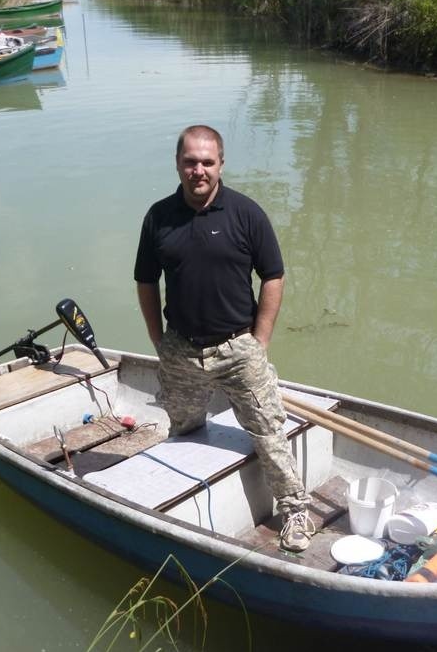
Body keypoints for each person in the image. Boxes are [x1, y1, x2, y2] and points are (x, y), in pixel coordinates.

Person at [133, 125, 313, 552]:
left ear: (221, 165)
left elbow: (273, 276)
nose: (198, 170)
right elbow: (145, 281)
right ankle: (181, 507)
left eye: (207, 162)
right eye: (190, 162)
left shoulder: (246, 214)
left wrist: (260, 340)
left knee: (269, 429)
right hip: (180, 348)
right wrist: (159, 341)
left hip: (239, 348)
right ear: (178, 163)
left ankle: (296, 510)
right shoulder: (158, 216)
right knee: (183, 427)